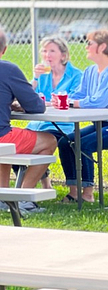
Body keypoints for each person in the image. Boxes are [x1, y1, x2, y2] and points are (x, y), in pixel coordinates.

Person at [56, 30, 108, 203]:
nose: (86, 47)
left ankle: (88, 194)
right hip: (102, 124)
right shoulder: (90, 71)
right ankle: (74, 191)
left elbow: (100, 101)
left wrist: (73, 103)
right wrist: (61, 99)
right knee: (65, 142)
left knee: (84, 144)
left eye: (90, 43)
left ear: (102, 47)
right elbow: (79, 95)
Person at [0, 27, 58, 213]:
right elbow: (36, 106)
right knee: (49, 140)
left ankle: (3, 197)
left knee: (7, 146)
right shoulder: (8, 69)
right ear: (4, 49)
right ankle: (24, 198)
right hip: (1, 136)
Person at [24, 36, 82, 189]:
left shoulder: (76, 75)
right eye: (44, 51)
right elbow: (27, 97)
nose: (47, 55)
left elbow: (72, 101)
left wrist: (45, 103)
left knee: (47, 143)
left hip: (61, 126)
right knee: (16, 146)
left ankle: (30, 189)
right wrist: (35, 78)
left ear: (63, 55)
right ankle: (44, 185)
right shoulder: (42, 75)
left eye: (52, 51)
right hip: (37, 124)